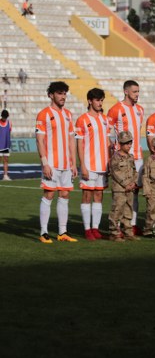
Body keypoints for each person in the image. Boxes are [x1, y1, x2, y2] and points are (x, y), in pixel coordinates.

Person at [36, 81, 78, 243]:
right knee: (49, 194)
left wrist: (74, 163)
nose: (63, 97)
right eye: (60, 93)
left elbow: (70, 140)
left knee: (65, 195)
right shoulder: (44, 114)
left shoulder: (68, 114)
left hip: (66, 164)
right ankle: (44, 232)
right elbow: (39, 140)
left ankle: (62, 232)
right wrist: (45, 163)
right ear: (51, 95)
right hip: (51, 163)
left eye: (64, 93)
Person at [107, 80, 146, 234]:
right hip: (122, 159)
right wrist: (113, 152)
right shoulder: (115, 109)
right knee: (120, 194)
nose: (137, 94)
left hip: (137, 156)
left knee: (134, 192)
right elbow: (107, 134)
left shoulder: (140, 110)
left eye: (138, 92)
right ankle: (116, 226)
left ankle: (131, 225)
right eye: (135, 91)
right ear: (126, 91)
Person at [75, 88, 111, 241]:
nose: (100, 103)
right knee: (87, 196)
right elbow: (79, 144)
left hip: (103, 165)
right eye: (97, 100)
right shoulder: (82, 119)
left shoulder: (105, 119)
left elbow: (108, 142)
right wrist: (82, 165)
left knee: (99, 196)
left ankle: (95, 228)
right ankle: (87, 229)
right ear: (90, 101)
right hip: (89, 165)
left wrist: (110, 161)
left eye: (101, 100)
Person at [108, 130, 138, 242]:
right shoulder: (115, 157)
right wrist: (126, 184)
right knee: (117, 211)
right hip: (120, 189)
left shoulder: (131, 157)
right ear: (120, 143)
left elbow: (135, 171)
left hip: (130, 189)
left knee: (128, 211)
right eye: (126, 143)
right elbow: (116, 172)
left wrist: (134, 183)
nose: (129, 145)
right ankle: (114, 233)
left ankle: (128, 232)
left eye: (130, 143)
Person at [0, 109, 11, 180]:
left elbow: (9, 133)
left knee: (6, 160)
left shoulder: (9, 123)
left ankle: (5, 175)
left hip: (6, 145)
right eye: (4, 117)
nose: (5, 118)